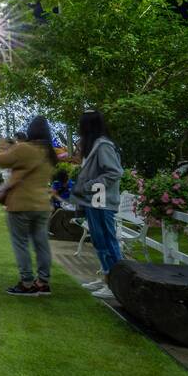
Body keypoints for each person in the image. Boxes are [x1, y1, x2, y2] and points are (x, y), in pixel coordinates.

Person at [0, 116, 57, 296]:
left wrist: (1, 145)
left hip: (21, 204)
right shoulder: (50, 153)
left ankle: (27, 283)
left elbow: (1, 160)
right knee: (42, 244)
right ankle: (43, 282)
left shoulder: (25, 148)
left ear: (31, 131)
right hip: (42, 205)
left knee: (21, 243)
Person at [71, 110, 124, 299]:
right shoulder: (95, 145)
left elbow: (114, 172)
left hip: (101, 199)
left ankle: (117, 284)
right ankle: (107, 277)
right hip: (96, 199)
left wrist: (89, 186)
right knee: (100, 241)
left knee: (107, 242)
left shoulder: (103, 146)